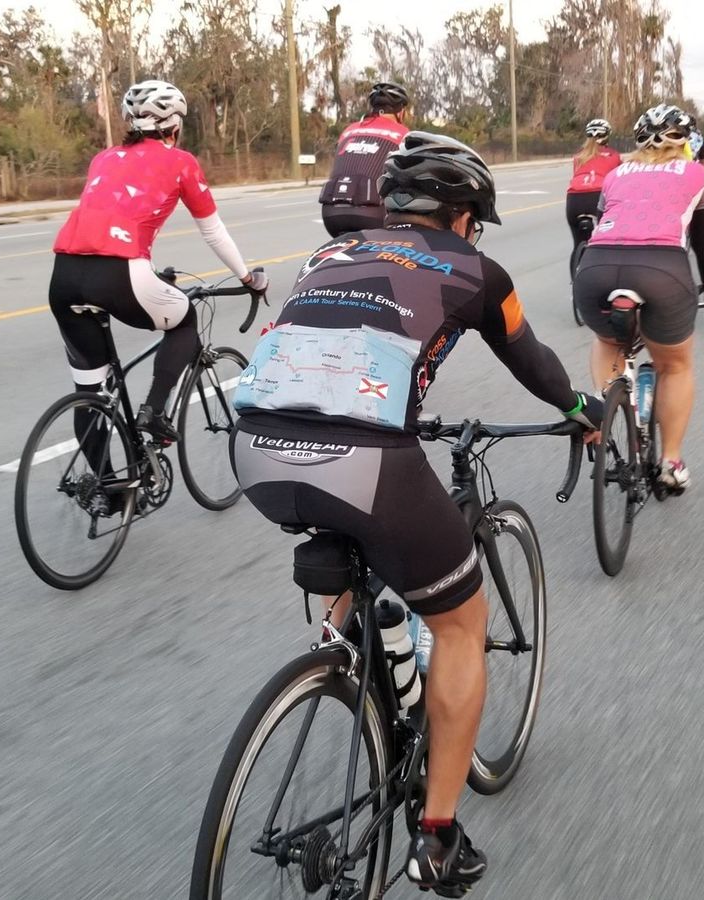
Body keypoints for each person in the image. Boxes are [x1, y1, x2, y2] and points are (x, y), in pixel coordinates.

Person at [232, 132, 601, 895]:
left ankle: (349, 659)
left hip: (255, 450)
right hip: (366, 461)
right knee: (462, 624)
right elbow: (532, 360)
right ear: (464, 216)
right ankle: (438, 837)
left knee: (358, 541)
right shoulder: (475, 268)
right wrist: (578, 409)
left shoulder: (329, 255)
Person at [48, 79, 267, 443]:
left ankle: (109, 482)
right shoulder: (181, 162)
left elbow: (111, 220)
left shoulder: (103, 158)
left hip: (64, 275)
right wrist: (247, 278)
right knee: (184, 319)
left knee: (90, 393)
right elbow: (213, 233)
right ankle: (154, 411)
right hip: (121, 273)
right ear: (175, 125)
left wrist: (149, 273)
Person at [573, 104, 704, 493]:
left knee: (607, 340)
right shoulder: (697, 173)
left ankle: (604, 410)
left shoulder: (616, 174)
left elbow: (604, 224)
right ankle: (671, 461)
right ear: (687, 141)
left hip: (595, 269)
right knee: (674, 365)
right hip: (661, 271)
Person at [317, 81, 412, 236]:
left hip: (331, 215)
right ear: (401, 112)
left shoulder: (349, 131)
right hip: (372, 215)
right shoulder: (403, 134)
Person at [566, 117, 620, 267]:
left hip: (574, 199)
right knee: (606, 241)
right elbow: (618, 181)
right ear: (607, 136)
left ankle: (575, 275)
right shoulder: (613, 156)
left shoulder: (578, 156)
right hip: (597, 196)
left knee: (577, 244)